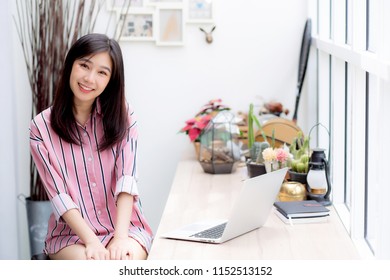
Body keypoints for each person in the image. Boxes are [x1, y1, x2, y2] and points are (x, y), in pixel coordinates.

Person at [29, 33, 153, 260]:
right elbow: (60, 196)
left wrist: (121, 237)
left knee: (124, 264)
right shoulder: (40, 128)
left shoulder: (124, 115)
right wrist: (92, 242)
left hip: (126, 228)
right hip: (72, 236)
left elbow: (127, 179)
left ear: (110, 80)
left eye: (102, 72)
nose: (89, 78)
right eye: (84, 66)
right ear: (70, 65)